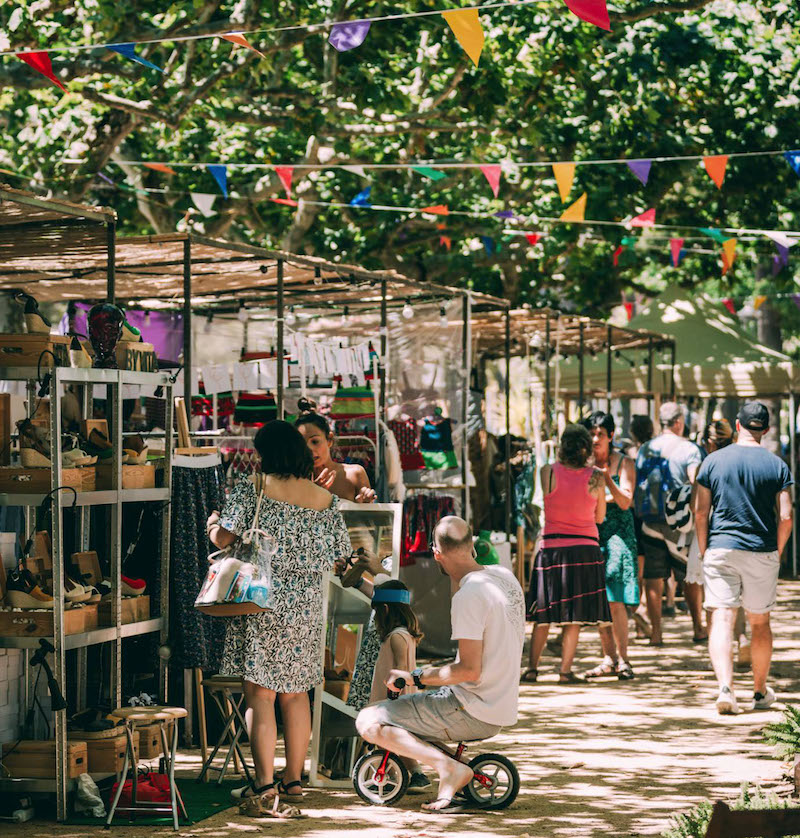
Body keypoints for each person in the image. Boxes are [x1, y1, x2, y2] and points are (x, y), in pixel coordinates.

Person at [206, 420, 353, 807]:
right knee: (296, 695)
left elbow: (225, 537)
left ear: (265, 454)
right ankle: (293, 781)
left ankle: (265, 784)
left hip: (261, 599)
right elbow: (340, 554)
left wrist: (211, 526)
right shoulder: (326, 500)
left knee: (260, 694)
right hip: (306, 607)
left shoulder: (255, 488)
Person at [356, 516, 525, 813]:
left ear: (436, 553)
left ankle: (448, 769)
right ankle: (452, 765)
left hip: (469, 707)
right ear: (471, 545)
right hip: (501, 705)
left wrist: (415, 676)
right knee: (408, 713)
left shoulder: (469, 596)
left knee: (368, 720)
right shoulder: (504, 578)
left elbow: (468, 671)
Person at [695, 402, 793, 714]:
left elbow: (699, 511)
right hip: (761, 548)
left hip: (721, 546)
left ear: (737, 426)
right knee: (759, 622)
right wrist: (777, 550)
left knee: (722, 617)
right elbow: (787, 517)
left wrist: (703, 548)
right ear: (764, 430)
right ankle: (760, 691)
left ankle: (725, 688)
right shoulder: (777, 466)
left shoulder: (712, 461)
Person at [524, 424, 609, 683]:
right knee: (575, 616)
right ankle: (565, 671)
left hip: (552, 549)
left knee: (543, 615)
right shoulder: (596, 477)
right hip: (584, 549)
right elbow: (601, 517)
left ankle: (532, 669)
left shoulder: (547, 472)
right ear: (586, 448)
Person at [636, 402, 705, 646]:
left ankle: (656, 633)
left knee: (653, 578)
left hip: (650, 521)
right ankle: (698, 627)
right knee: (689, 576)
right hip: (680, 524)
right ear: (678, 422)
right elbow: (695, 481)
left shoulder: (645, 449)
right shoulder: (690, 449)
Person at [582, 412, 639, 681]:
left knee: (615, 600)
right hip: (592, 534)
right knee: (600, 599)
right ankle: (608, 657)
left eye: (600, 434)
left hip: (618, 534)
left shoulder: (624, 463)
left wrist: (606, 480)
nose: (595, 439)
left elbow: (626, 501)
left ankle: (624, 659)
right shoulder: (582, 464)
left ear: (610, 436)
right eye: (591, 434)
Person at [295, 397, 376, 503]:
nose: (309, 449)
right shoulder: (294, 481)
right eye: (302, 444)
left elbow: (367, 516)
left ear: (329, 440)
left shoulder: (355, 474)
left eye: (315, 442)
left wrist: (365, 502)